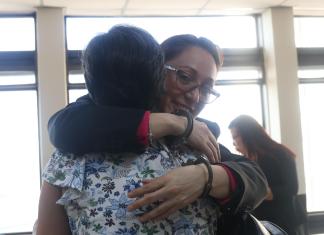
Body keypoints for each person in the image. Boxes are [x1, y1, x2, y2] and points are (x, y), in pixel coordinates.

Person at [38, 25, 268, 234]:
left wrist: (204, 177)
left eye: (207, 88)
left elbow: (255, 178)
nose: (195, 95)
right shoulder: (83, 128)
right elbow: (64, 125)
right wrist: (176, 123)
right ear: (156, 70)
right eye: (185, 77)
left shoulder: (196, 139)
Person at [228, 114, 301, 235]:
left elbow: (292, 188)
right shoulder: (247, 160)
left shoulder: (280, 153)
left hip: (282, 222)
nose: (234, 142)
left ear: (248, 134)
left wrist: (261, 191)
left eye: (235, 137)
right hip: (260, 223)